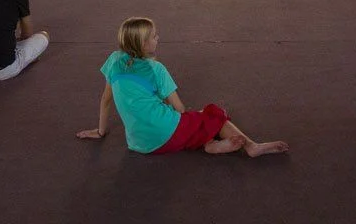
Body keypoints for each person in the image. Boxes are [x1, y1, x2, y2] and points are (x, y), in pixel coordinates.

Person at [77, 17, 288, 158]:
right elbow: (179, 109)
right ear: (142, 44)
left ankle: (208, 142)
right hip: (167, 135)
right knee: (213, 113)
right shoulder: (156, 69)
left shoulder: (114, 61)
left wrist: (101, 131)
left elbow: (106, 99)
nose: (158, 38)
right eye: (153, 36)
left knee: (195, 121)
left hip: (140, 144)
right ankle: (251, 146)